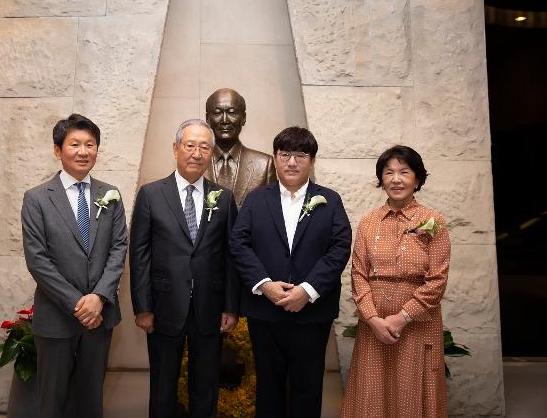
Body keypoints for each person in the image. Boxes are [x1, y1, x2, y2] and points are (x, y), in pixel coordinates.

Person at [229, 126, 352, 418]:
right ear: (275, 159)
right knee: (268, 386)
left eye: (301, 155)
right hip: (265, 312)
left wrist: (307, 290)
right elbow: (239, 243)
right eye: (285, 154)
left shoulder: (330, 200)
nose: (292, 162)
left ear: (312, 161)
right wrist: (264, 284)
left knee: (307, 386)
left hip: (311, 313)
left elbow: (340, 247)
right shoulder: (257, 199)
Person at [130, 119, 239, 418]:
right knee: (163, 387)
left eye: (204, 147)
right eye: (190, 145)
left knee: (205, 386)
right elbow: (139, 254)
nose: (196, 153)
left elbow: (231, 256)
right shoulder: (151, 194)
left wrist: (230, 307)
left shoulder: (224, 198)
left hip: (209, 306)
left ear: (211, 153)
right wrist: (143, 307)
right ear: (175, 148)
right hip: (164, 306)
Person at [21, 114, 128, 418]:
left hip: (100, 315)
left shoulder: (111, 195)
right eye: (75, 144)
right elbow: (37, 260)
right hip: (57, 316)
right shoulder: (37, 199)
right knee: (51, 401)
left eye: (90, 144)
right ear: (58, 150)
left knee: (91, 399)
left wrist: (99, 298)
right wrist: (78, 304)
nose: (84, 151)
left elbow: (119, 247)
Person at [340, 145, 451, 418]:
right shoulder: (368, 221)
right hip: (373, 324)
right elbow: (358, 274)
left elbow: (437, 279)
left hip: (415, 325)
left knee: (410, 391)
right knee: (372, 392)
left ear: (417, 179)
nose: (396, 179)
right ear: (381, 179)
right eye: (388, 172)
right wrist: (373, 319)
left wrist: (401, 317)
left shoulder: (433, 221)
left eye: (404, 172)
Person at [205, 88, 277, 208]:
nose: (224, 120)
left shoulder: (265, 164)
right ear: (208, 119)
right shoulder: (196, 162)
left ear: (243, 117)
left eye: (232, 112)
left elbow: (271, 213)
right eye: (217, 113)